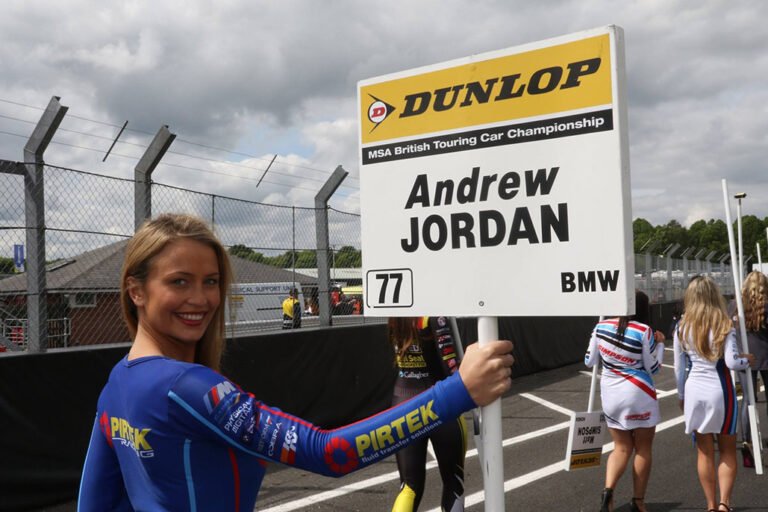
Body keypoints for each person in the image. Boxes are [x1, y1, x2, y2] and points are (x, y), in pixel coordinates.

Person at [78, 213, 514, 511]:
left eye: (211, 281)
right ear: (136, 291)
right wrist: (457, 392)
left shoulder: (117, 383)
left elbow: (93, 501)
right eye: (179, 282)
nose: (200, 298)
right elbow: (330, 453)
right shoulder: (188, 388)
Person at [673, 276, 755, 512]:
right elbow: (731, 362)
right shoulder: (723, 323)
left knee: (704, 451)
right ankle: (723, 504)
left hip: (693, 391)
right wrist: (746, 360)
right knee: (728, 449)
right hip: (720, 392)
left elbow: (679, 368)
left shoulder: (681, 326)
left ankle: (709, 505)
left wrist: (681, 397)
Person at [584, 290, 665, 512]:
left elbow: (589, 361)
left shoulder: (600, 327)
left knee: (620, 448)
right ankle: (638, 501)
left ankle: (608, 491)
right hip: (639, 394)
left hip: (611, 394)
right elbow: (654, 368)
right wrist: (659, 345)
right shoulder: (644, 330)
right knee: (643, 448)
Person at [389, 316, 465, 511]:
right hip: (441, 403)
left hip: (402, 404)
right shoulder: (434, 315)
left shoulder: (395, 315)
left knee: (409, 487)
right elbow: (451, 368)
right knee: (453, 481)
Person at [740, 271, 768, 410]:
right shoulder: (766, 306)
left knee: (748, 400)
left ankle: (746, 432)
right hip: (765, 355)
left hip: (744, 356)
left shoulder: (737, 306)